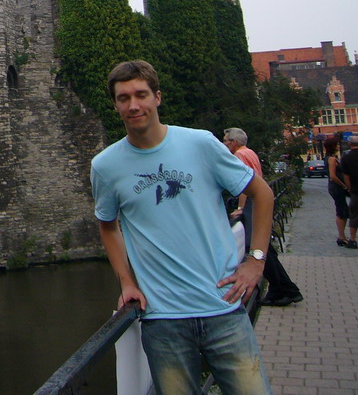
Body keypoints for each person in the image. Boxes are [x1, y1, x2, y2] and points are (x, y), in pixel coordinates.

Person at [92, 60, 274, 394]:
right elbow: (108, 226)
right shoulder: (105, 166)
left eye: (141, 94)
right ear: (115, 104)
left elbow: (262, 194)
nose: (133, 105)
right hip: (162, 319)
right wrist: (126, 281)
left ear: (157, 97)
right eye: (123, 98)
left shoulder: (200, 144)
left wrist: (256, 260)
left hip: (223, 307)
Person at [223, 128, 302, 306]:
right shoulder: (250, 152)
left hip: (252, 203)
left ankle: (283, 289)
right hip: (259, 202)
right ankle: (283, 288)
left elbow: (244, 183)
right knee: (264, 245)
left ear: (234, 142)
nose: (224, 144)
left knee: (254, 245)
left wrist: (241, 207)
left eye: (226, 141)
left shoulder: (239, 155)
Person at [324, 134, 351, 247]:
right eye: (337, 145)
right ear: (333, 146)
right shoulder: (331, 159)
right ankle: (341, 236)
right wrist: (344, 186)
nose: (338, 146)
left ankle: (342, 236)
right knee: (341, 210)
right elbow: (333, 176)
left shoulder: (329, 158)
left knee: (343, 209)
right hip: (336, 187)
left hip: (335, 187)